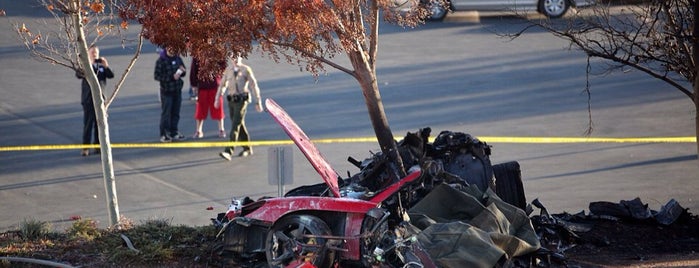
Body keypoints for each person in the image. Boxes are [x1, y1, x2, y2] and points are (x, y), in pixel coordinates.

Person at [216, 56, 263, 160]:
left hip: (241, 101)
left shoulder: (246, 69)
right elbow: (222, 85)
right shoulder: (228, 70)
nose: (235, 59)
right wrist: (217, 98)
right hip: (232, 101)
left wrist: (258, 101)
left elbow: (254, 85)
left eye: (237, 57)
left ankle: (228, 151)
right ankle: (247, 148)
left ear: (241, 57)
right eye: (233, 57)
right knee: (239, 124)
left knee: (235, 125)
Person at [76, 45, 114, 156]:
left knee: (100, 124)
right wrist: (87, 65)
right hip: (88, 100)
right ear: (88, 53)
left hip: (101, 100)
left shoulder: (101, 65)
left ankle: (98, 146)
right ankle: (85, 148)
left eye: (96, 52)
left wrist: (106, 66)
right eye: (92, 52)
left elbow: (111, 75)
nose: (94, 54)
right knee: (88, 124)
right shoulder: (85, 65)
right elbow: (78, 74)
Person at [154, 46, 186, 142]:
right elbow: (157, 76)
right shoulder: (161, 61)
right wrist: (172, 77)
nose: (172, 50)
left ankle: (174, 131)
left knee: (176, 113)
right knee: (166, 113)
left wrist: (182, 71)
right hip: (166, 91)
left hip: (177, 90)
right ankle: (164, 134)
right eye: (170, 48)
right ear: (166, 49)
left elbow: (183, 72)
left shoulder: (178, 58)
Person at [190, 57, 226, 139]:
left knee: (218, 108)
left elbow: (224, 67)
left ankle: (221, 129)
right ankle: (199, 131)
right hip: (202, 86)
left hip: (215, 86)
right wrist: (194, 84)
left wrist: (222, 83)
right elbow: (194, 69)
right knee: (200, 109)